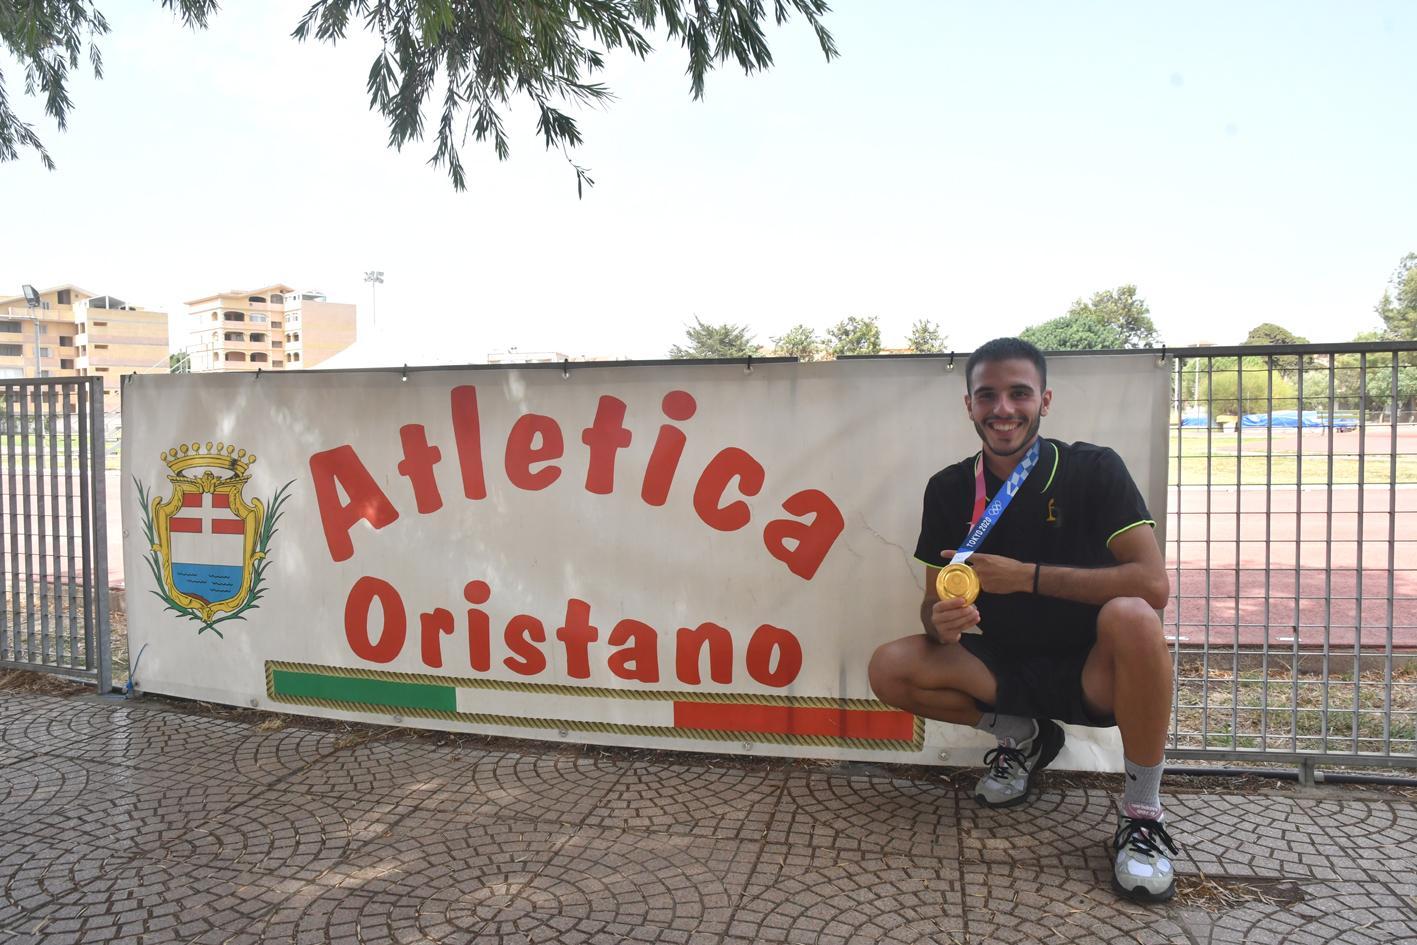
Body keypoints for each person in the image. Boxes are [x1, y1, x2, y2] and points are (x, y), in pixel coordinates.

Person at [867, 337, 1180, 903]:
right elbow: (935, 601)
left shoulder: (1093, 468)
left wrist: (1027, 576)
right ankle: (1024, 738)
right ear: (969, 405)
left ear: (1045, 399)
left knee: (1134, 616)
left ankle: (1143, 815)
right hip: (1007, 667)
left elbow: (1153, 584)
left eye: (1019, 393)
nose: (1003, 408)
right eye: (987, 395)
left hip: (1092, 670)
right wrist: (941, 622)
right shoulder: (949, 487)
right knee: (890, 668)